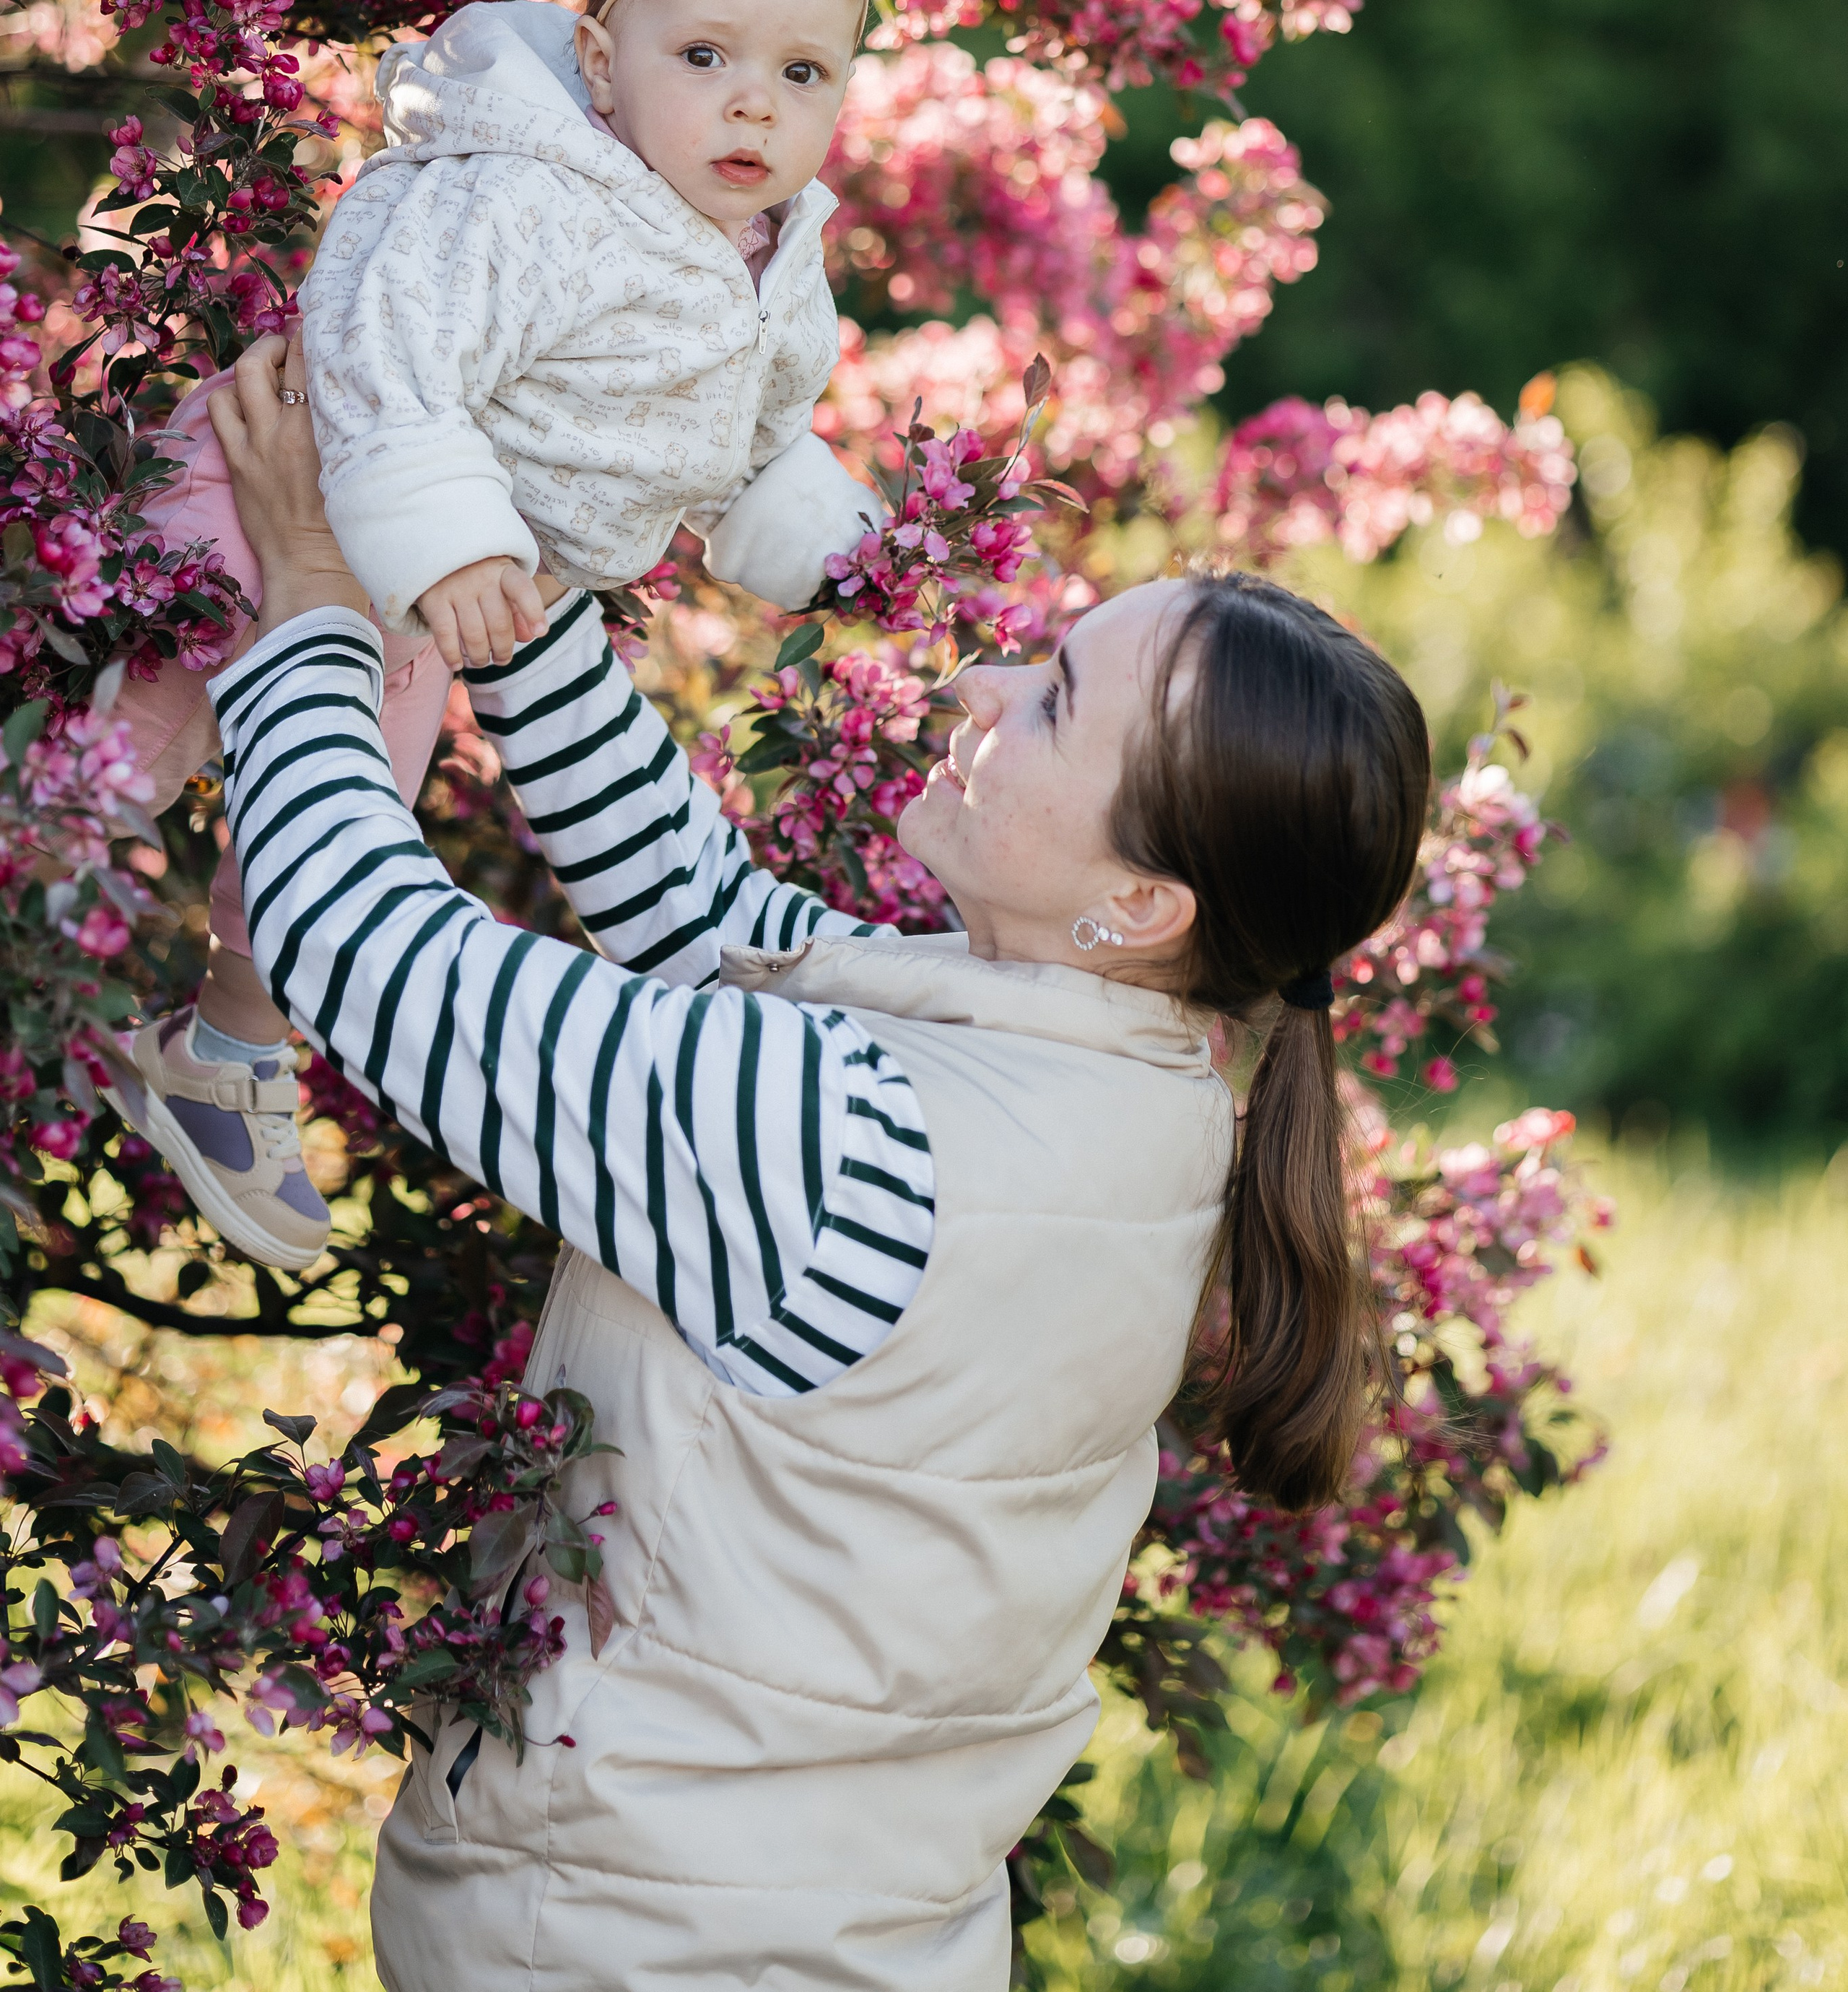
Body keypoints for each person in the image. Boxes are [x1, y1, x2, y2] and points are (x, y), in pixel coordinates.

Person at [186, 333, 1431, 1992]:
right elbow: (710, 922)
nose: (983, 686)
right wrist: (499, 588)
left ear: (1140, 906)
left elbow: (365, 954)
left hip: (631, 1955)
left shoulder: (865, 1144)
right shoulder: (1130, 1095)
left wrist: (314, 607)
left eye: (1054, 702)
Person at [104, 0, 889, 1271]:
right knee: (122, 745)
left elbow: (755, 433)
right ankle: (46, 880)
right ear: (599, 59)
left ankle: (224, 1052)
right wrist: (456, 536)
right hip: (294, 495)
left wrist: (815, 535)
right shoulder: (524, 186)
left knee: (336, 826)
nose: (750, 106)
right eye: (705, 52)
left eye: (800, 75)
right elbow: (385, 340)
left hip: (433, 587)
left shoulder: (774, 255)